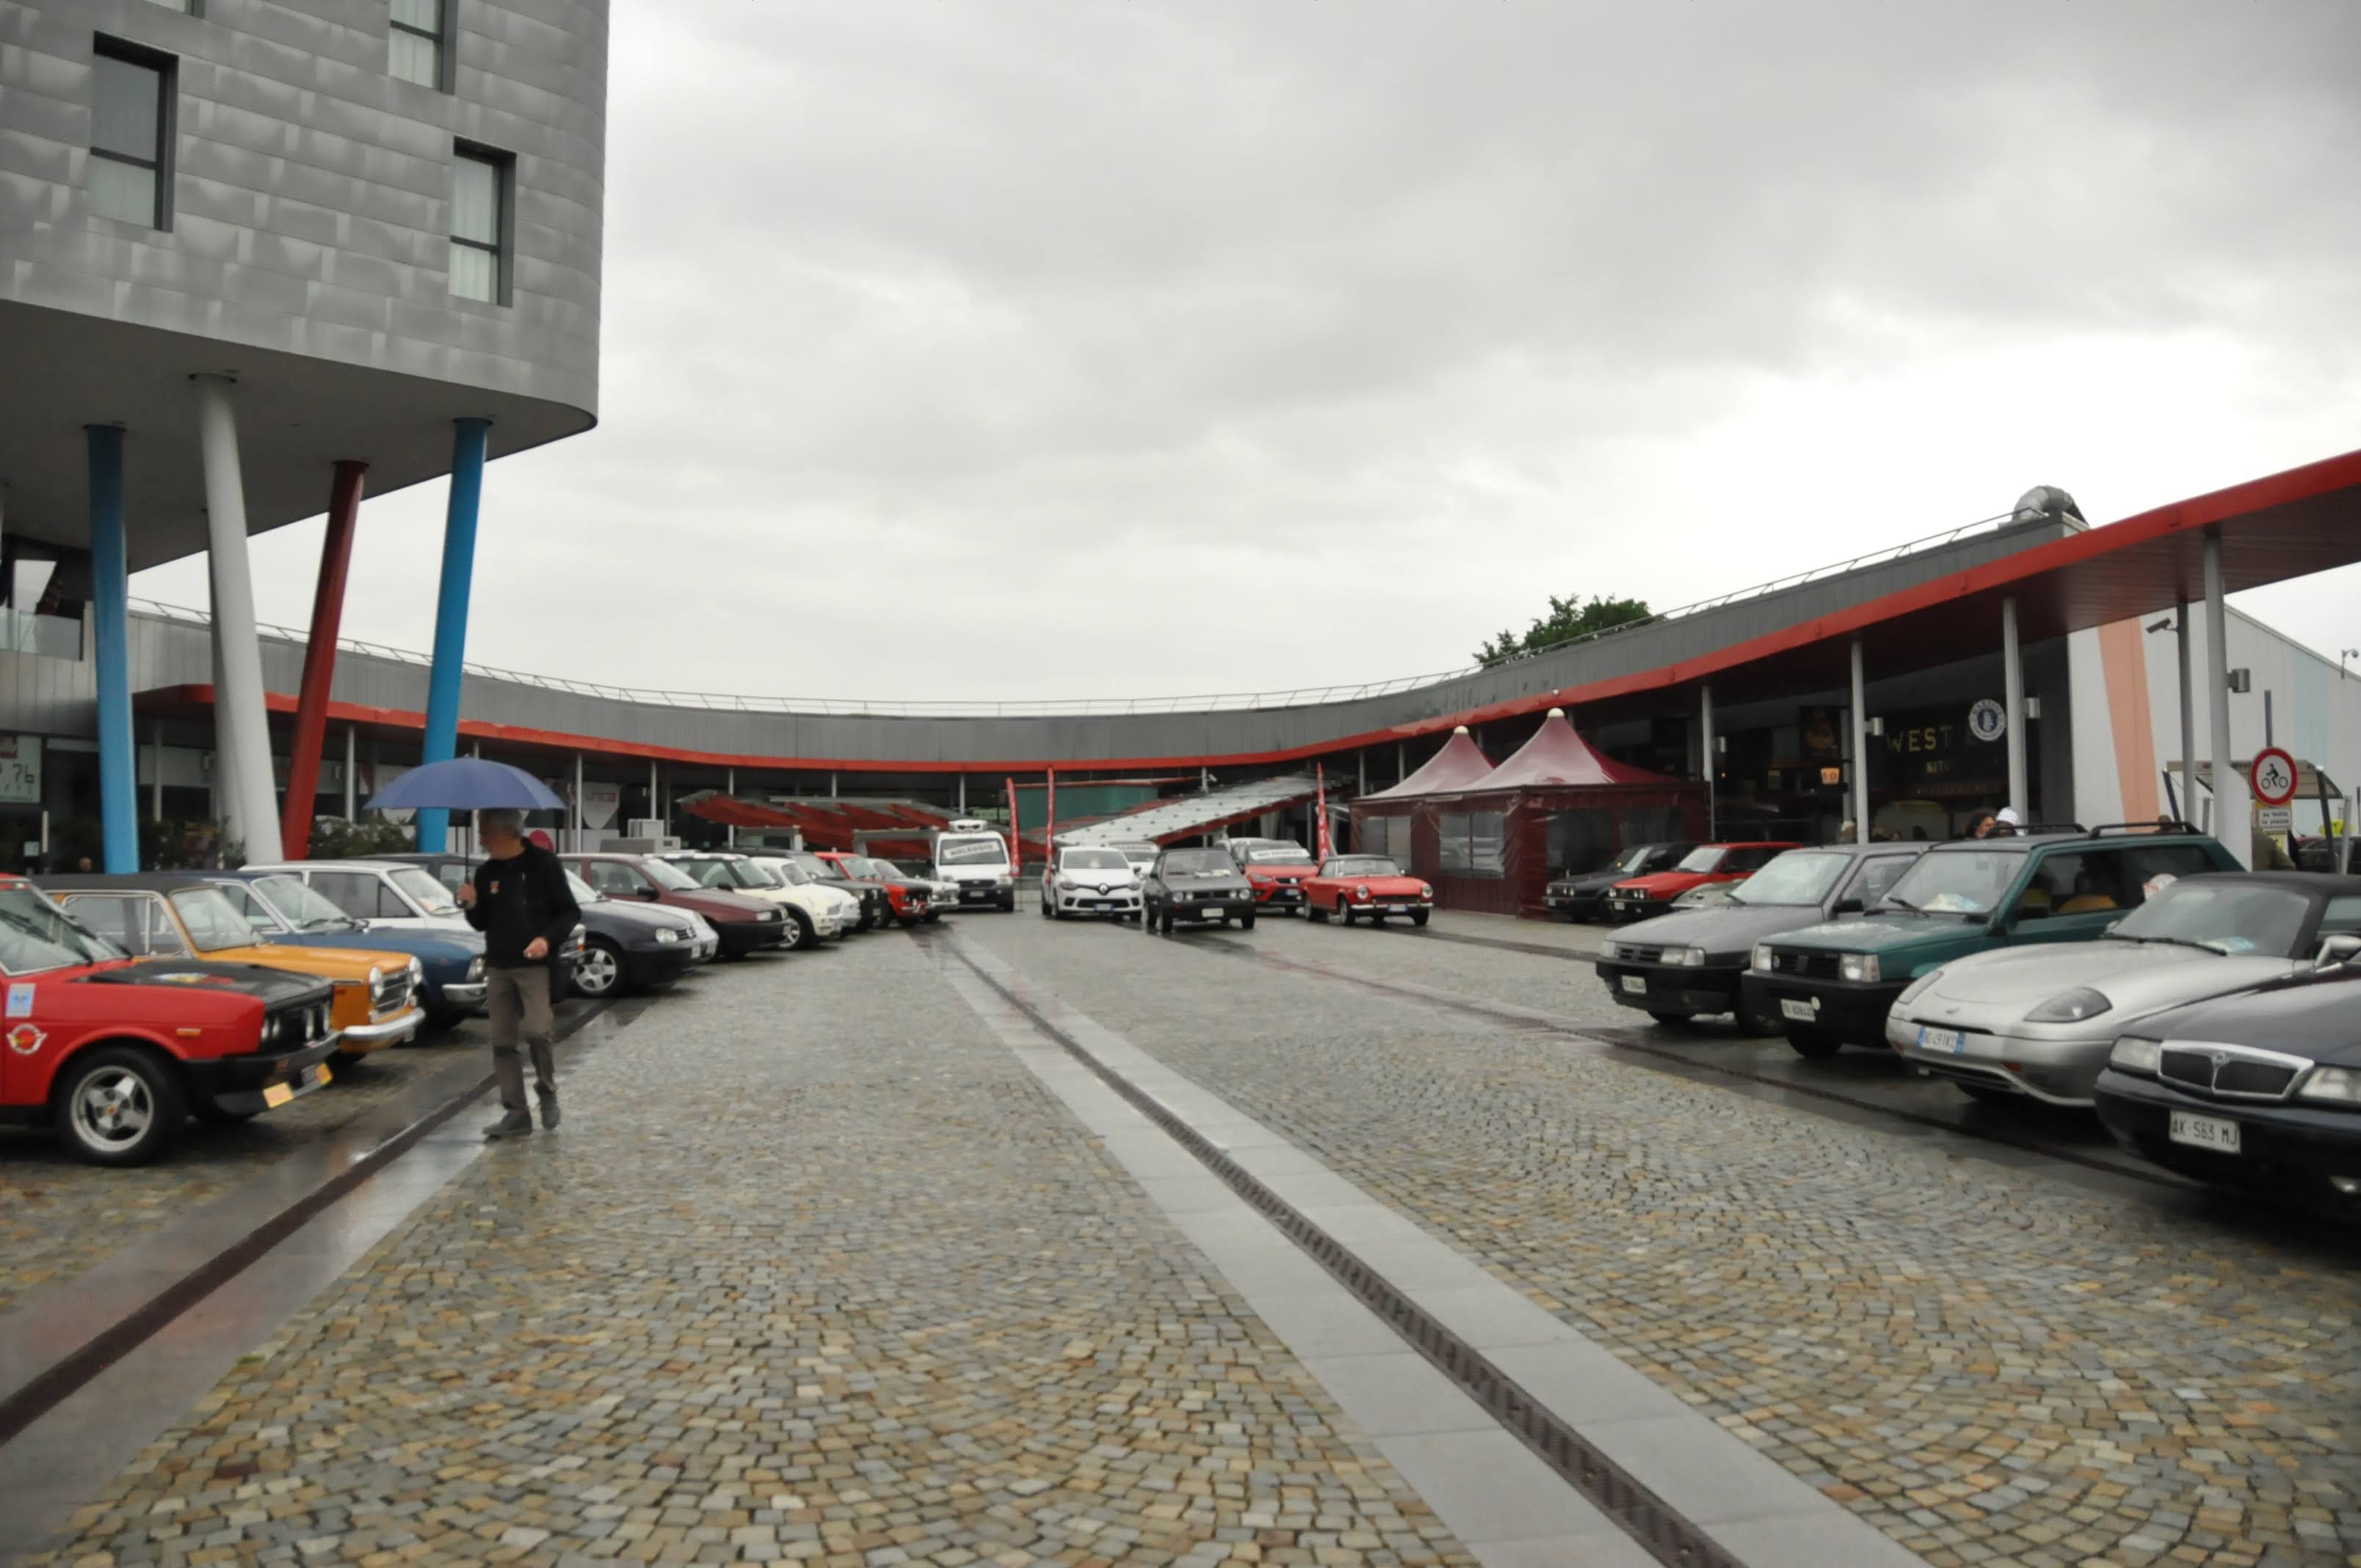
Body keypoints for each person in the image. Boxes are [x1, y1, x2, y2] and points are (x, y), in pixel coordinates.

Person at [458, 808, 581, 1139]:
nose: (481, 839)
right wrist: (471, 904)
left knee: (538, 1032)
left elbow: (569, 911)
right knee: (502, 1043)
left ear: (509, 833)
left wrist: (546, 939)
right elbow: (481, 923)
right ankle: (516, 1114)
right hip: (499, 967)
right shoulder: (485, 873)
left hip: (534, 967)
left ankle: (547, 1090)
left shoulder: (544, 865)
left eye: (485, 832)